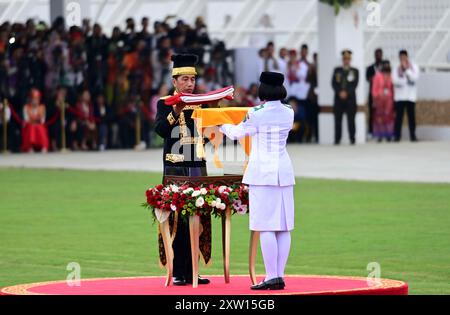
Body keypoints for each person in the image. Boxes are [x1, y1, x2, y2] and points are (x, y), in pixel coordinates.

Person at [220, 72, 295, 290]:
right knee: (283, 227)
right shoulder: (289, 111)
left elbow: (236, 134)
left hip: (263, 173)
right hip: (283, 171)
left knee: (266, 226)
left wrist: (220, 123)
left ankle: (272, 276)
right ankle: (279, 275)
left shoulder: (256, 113)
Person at [154, 53, 213, 286]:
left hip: (197, 166)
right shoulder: (164, 103)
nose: (190, 84)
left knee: (198, 219)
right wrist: (176, 111)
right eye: (185, 79)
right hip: (174, 168)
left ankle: (194, 271)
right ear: (175, 81)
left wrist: (204, 137)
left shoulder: (202, 103)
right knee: (177, 220)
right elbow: (160, 130)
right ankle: (178, 271)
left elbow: (209, 134)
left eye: (192, 79)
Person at [332, 50, 359, 145]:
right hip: (338, 99)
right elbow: (334, 83)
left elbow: (354, 84)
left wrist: (346, 92)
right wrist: (340, 92)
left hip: (350, 99)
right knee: (337, 120)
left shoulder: (354, 71)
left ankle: (352, 138)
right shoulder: (337, 70)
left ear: (350, 60)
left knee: (351, 120)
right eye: (345, 59)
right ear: (343, 60)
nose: (346, 60)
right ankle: (337, 139)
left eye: (348, 59)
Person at [392, 50, 419, 142]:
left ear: (407, 57)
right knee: (398, 117)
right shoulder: (396, 68)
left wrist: (406, 70)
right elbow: (395, 81)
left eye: (404, 57)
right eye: (401, 57)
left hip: (411, 97)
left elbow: (415, 78)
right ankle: (397, 136)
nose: (403, 59)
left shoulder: (413, 67)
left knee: (411, 117)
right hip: (400, 97)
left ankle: (413, 135)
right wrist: (405, 80)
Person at [372, 61, 395, 142]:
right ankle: (380, 135)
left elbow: (392, 88)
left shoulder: (391, 76)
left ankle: (388, 135)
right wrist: (375, 97)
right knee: (379, 117)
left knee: (388, 117)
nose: (386, 67)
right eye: (385, 65)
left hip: (389, 100)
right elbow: (374, 88)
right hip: (379, 100)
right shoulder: (378, 76)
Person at [21, 88, 49, 153]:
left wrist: (36, 120)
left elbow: (43, 120)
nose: (35, 101)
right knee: (31, 127)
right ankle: (30, 147)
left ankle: (44, 146)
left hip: (39, 124)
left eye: (37, 99)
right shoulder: (26, 107)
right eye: (34, 99)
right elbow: (26, 119)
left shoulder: (42, 107)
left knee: (41, 127)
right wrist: (34, 120)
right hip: (29, 125)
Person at [366, 48, 384, 137]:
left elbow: (387, 77)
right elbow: (368, 79)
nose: (378, 56)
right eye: (377, 54)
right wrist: (376, 78)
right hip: (373, 94)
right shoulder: (370, 67)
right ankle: (371, 131)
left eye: (380, 54)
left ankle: (383, 131)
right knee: (372, 113)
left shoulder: (385, 66)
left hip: (383, 95)